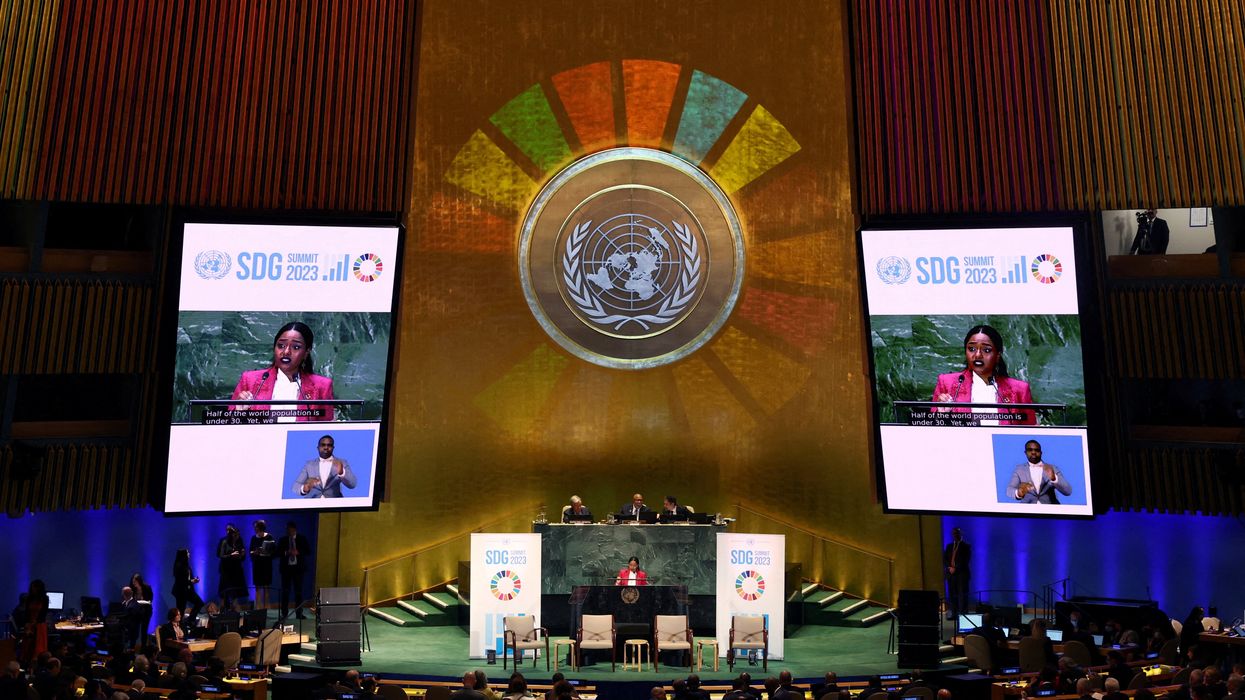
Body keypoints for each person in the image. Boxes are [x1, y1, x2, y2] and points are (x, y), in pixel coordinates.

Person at [932, 324, 1037, 425]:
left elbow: (1030, 432)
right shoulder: (947, 383)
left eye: (986, 350)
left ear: (997, 355)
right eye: (971, 349)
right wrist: (941, 415)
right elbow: (931, 429)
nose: (977, 355)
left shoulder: (1019, 389)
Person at [231, 321, 335, 422]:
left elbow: (325, 431)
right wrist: (239, 412)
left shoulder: (322, 386)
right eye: (281, 346)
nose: (286, 352)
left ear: (306, 352)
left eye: (296, 347)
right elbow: (228, 423)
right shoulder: (250, 380)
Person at [1006, 440, 1073, 504]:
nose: (1033, 452)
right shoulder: (1019, 470)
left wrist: (1054, 479)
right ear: (1025, 452)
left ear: (1041, 453)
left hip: (1050, 511)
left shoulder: (1052, 468)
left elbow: (1068, 491)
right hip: (1027, 511)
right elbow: (1009, 490)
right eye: (1030, 450)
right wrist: (1018, 493)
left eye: (1036, 450)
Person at [292, 435, 358, 498]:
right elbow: (295, 486)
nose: (326, 447)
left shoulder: (342, 462)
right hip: (312, 504)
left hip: (334, 505)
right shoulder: (309, 465)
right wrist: (304, 488)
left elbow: (353, 484)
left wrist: (342, 472)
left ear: (333, 448)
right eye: (323, 445)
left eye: (329, 445)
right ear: (318, 448)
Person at [278, 521, 311, 619]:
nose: (289, 532)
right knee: (285, 592)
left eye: (291, 530)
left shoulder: (302, 539)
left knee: (298, 592)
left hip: (298, 570)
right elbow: (277, 552)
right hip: (286, 570)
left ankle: (299, 613)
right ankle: (284, 613)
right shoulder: (283, 540)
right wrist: (286, 552)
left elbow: (308, 551)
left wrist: (298, 552)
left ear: (295, 530)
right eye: (287, 530)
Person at [18, 579, 49, 665]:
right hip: (29, 625)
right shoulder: (29, 598)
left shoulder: (44, 599)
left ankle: (37, 663)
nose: (33, 589)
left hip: (39, 625)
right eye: (32, 587)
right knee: (27, 646)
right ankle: (26, 664)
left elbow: (43, 613)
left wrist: (36, 623)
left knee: (38, 647)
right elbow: (27, 613)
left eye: (35, 588)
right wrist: (27, 624)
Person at [216, 524, 247, 607]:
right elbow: (220, 555)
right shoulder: (224, 541)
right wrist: (231, 555)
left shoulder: (239, 541)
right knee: (224, 592)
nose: (236, 536)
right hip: (226, 571)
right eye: (235, 534)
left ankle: (235, 614)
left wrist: (242, 555)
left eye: (237, 535)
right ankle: (222, 613)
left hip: (236, 571)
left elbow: (242, 557)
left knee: (235, 594)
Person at [944, 527, 970, 623]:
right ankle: (953, 613)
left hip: (961, 575)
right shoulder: (949, 546)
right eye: (954, 533)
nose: (955, 535)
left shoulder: (966, 546)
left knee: (962, 595)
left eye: (957, 533)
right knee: (952, 595)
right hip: (951, 575)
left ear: (960, 534)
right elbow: (945, 559)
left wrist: (955, 568)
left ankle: (963, 615)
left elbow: (965, 560)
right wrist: (949, 568)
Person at [171, 548, 204, 626]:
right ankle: (180, 628)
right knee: (181, 611)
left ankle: (190, 620)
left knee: (199, 603)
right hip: (180, 591)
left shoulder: (186, 565)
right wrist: (191, 581)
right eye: (187, 553)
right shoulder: (178, 565)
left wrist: (194, 580)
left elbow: (188, 578)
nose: (189, 554)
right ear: (183, 555)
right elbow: (181, 581)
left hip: (188, 591)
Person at [250, 520, 276, 609]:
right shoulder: (254, 538)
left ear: (260, 527)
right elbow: (251, 551)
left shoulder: (269, 537)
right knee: (257, 587)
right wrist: (255, 552)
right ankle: (258, 607)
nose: (254, 528)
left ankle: (266, 607)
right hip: (257, 565)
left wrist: (266, 552)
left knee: (266, 587)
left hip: (266, 565)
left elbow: (274, 552)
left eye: (256, 527)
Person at [128, 573, 154, 648]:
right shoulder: (132, 589)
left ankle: (143, 648)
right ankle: (132, 648)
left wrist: (145, 601)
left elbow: (150, 599)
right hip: (136, 612)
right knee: (134, 630)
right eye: (133, 582)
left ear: (139, 581)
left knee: (144, 630)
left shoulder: (147, 587)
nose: (134, 584)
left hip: (146, 611)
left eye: (135, 582)